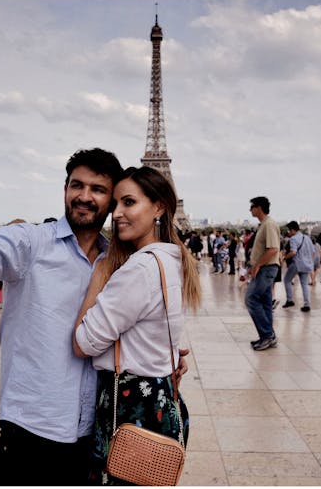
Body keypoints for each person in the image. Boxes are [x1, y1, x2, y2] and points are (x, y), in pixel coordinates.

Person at [0, 148, 189, 485]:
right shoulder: (31, 243)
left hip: (95, 436)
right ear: (65, 190)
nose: (85, 196)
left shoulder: (118, 262)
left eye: (99, 190)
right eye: (77, 185)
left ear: (111, 200)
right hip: (31, 434)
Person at [72, 166, 201, 484]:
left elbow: (82, 343)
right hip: (159, 401)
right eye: (115, 204)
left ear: (159, 207)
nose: (116, 214)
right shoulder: (172, 260)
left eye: (129, 202)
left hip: (129, 406)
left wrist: (100, 276)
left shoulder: (139, 268)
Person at [245, 197, 281, 351]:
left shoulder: (269, 224)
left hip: (266, 268)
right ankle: (269, 336)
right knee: (265, 304)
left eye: (252, 207)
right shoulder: (264, 225)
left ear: (259, 208)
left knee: (251, 299)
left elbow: (273, 249)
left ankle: (267, 335)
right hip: (265, 267)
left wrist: (257, 265)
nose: (250, 209)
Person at [282, 221, 315, 312]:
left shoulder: (293, 239)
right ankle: (307, 305)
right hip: (307, 264)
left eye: (289, 230)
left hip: (297, 263)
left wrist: (285, 257)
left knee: (287, 280)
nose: (288, 232)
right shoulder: (307, 238)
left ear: (293, 230)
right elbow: (313, 252)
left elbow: (293, 252)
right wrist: (308, 261)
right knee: (304, 284)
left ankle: (290, 300)